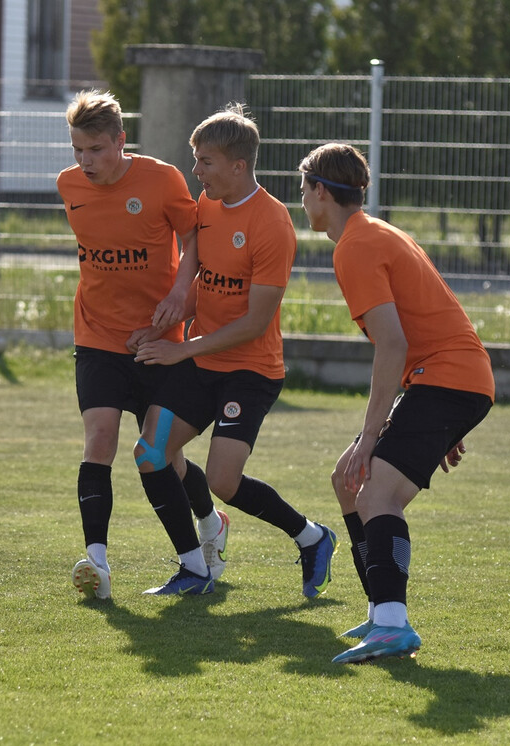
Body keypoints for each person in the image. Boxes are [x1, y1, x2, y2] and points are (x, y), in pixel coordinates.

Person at [298, 143, 495, 663]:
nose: (302, 201)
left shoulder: (356, 246)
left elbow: (393, 344)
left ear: (321, 191)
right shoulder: (372, 232)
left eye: (303, 190)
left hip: (447, 380)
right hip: (450, 382)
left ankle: (392, 624)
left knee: (375, 492)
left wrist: (372, 435)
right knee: (350, 482)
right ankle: (380, 610)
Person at [133, 103, 338, 596]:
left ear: (238, 165)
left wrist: (181, 351)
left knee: (225, 480)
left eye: (204, 161)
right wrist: (163, 326)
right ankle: (193, 566)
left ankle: (311, 537)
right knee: (151, 451)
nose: (196, 170)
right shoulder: (203, 208)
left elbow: (255, 322)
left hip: (250, 370)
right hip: (201, 358)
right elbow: (196, 284)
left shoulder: (272, 224)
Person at [57, 89, 229, 601]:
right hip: (97, 335)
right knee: (101, 438)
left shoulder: (161, 179)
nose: (85, 162)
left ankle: (209, 521)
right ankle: (98, 561)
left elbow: (195, 237)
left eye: (96, 150)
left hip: (158, 339)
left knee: (164, 456)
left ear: (120, 142)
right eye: (78, 151)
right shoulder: (68, 186)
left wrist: (181, 292)